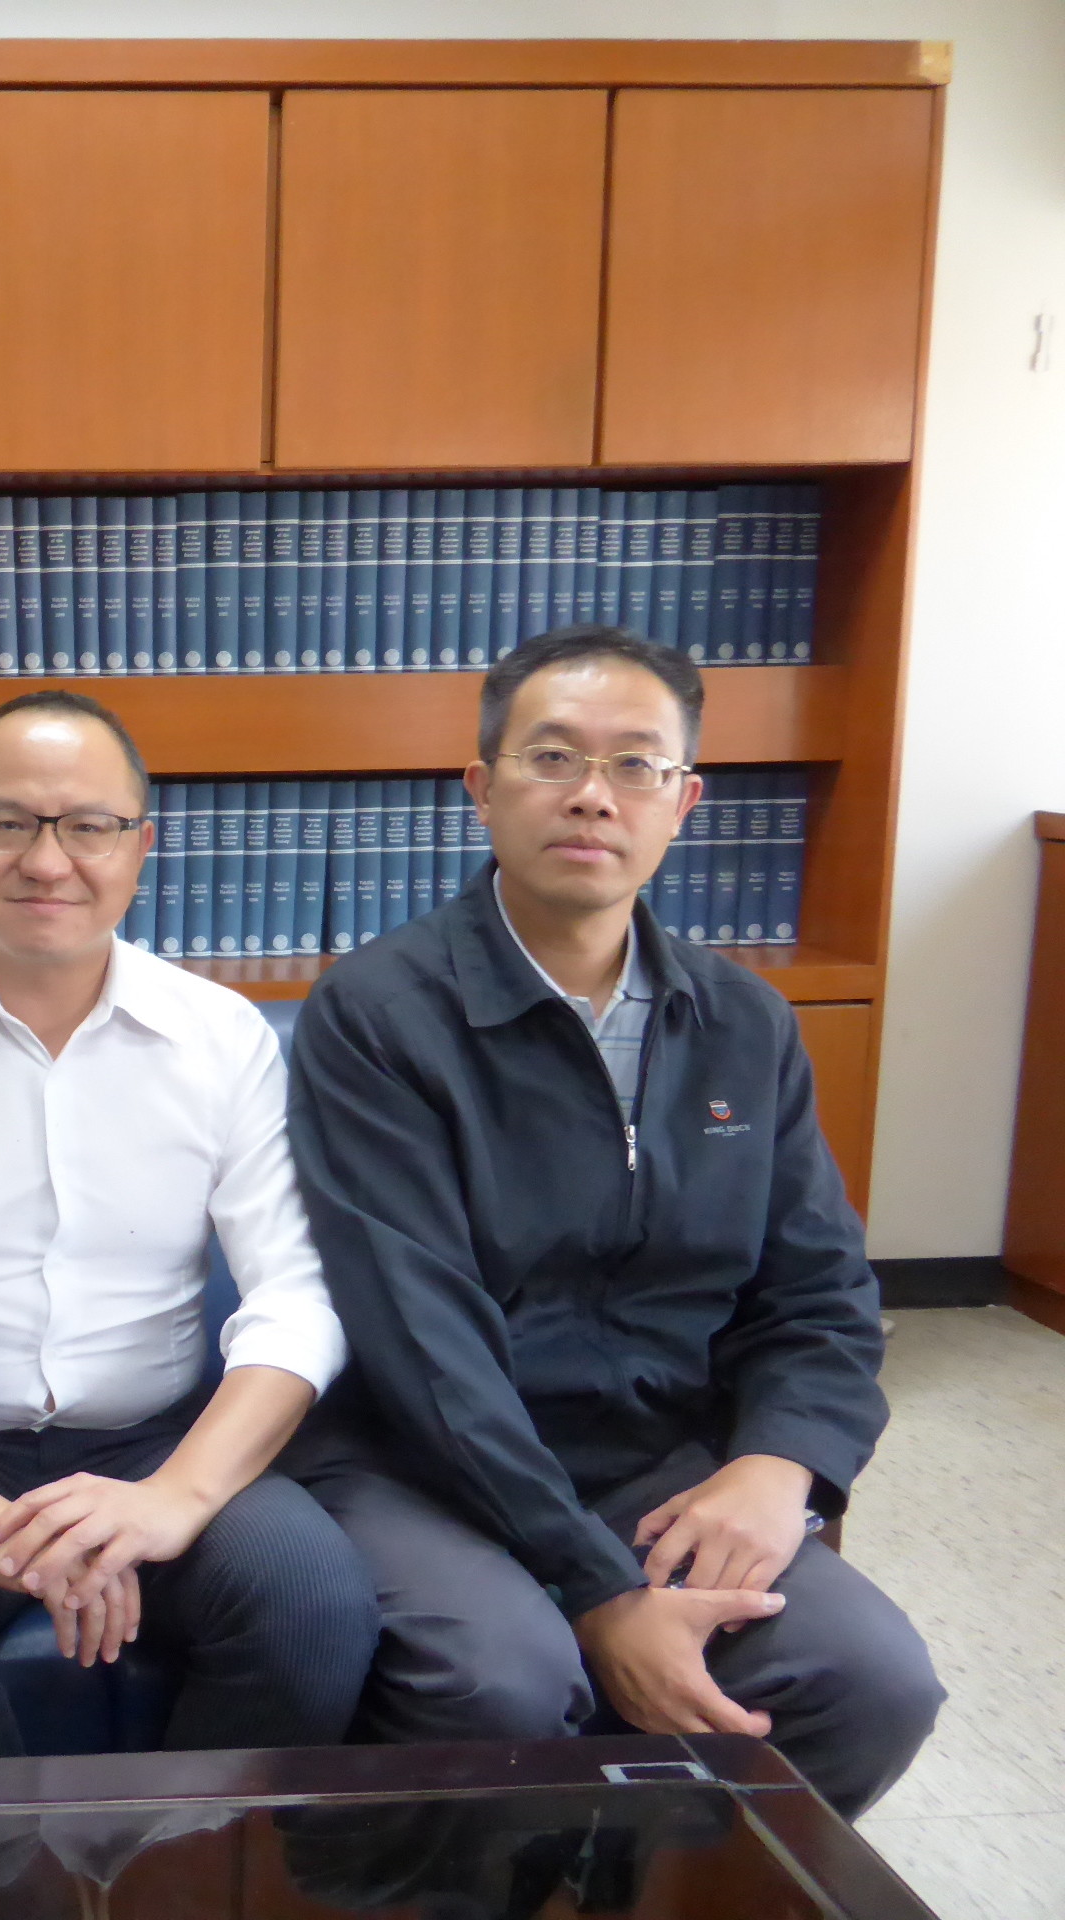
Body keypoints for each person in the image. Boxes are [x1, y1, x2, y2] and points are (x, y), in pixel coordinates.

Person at [283, 625, 942, 1818]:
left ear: (682, 802)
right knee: (503, 1681)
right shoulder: (378, 1014)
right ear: (480, 787)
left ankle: (657, 1885)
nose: (593, 796)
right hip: (421, 1464)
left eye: (636, 765)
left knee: (871, 1682)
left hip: (655, 1462)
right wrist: (601, 1593)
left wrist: (777, 1466)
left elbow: (820, 1294)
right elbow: (424, 1346)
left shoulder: (743, 1022)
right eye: (552, 758)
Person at [0, 688, 378, 1760]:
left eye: (89, 826)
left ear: (142, 845)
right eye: (6, 823)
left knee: (311, 1604)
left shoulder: (219, 1036)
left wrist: (171, 1501)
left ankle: (179, 1852)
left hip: (154, 1441)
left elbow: (295, 1299)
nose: (47, 862)